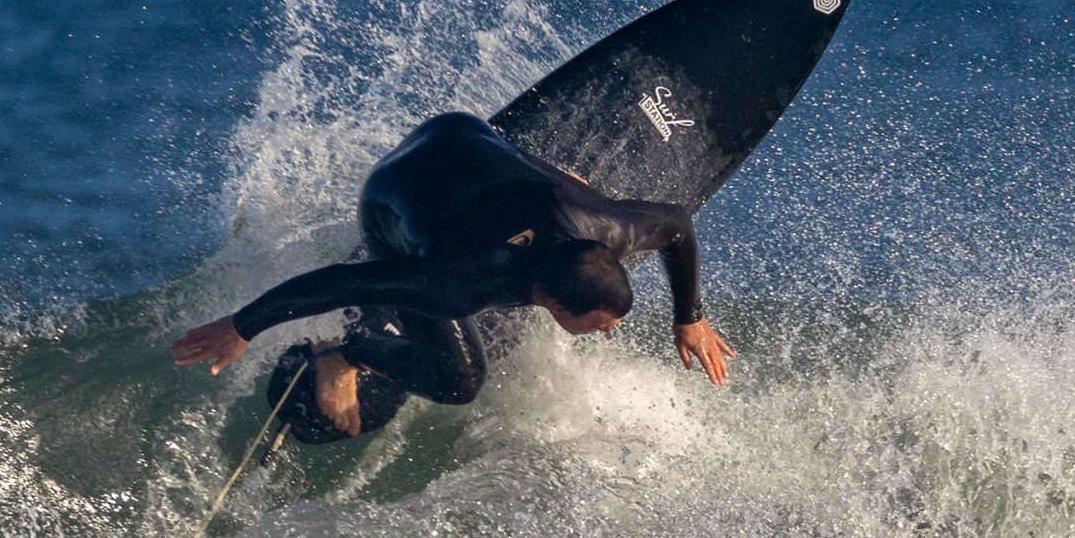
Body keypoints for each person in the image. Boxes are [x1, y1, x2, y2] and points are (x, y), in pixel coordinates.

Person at [169, 112, 733, 438]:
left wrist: (691, 317)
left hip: (465, 132)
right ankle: (344, 355)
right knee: (457, 383)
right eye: (599, 323)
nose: (608, 329)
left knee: (573, 194)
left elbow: (677, 225)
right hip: (394, 194)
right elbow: (340, 282)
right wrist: (243, 326)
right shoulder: (457, 283)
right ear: (553, 304)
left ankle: (558, 177)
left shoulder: (608, 226)